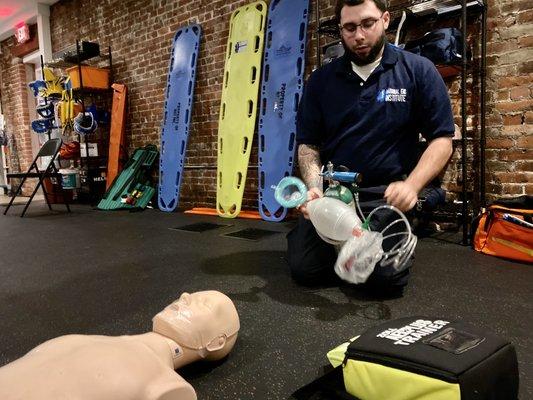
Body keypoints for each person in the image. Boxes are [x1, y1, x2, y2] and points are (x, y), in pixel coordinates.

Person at [287, 0, 454, 292]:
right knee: (305, 273)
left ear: (386, 20)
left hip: (385, 195)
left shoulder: (418, 70)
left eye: (368, 23)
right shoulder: (321, 81)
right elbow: (308, 144)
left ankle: (362, 243)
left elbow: (442, 140)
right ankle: (334, 242)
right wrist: (315, 187)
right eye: (350, 27)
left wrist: (412, 187)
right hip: (336, 193)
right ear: (340, 29)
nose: (359, 36)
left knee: (383, 281)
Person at [0, 290, 240, 400]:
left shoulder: (167, 386)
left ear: (216, 342)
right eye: (187, 296)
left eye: (202, 304)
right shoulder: (100, 341)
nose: (185, 296)